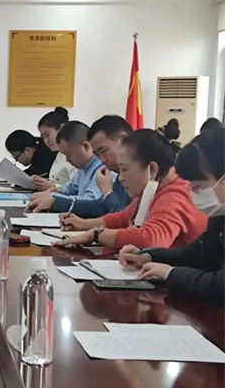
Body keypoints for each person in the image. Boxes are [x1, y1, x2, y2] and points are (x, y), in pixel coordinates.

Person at [55, 129, 207, 251]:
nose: (120, 178)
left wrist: (97, 234)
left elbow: (151, 239)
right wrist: (83, 224)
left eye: (124, 169)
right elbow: (124, 217)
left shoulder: (174, 194)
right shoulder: (154, 187)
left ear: (152, 169)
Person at [118, 128, 224, 304]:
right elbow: (198, 253)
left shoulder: (174, 195)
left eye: (199, 187)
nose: (194, 194)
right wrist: (148, 256)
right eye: (191, 187)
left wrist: (170, 273)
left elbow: (220, 286)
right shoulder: (220, 215)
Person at [42, 115, 134, 218]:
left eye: (104, 151)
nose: (102, 159)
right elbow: (101, 207)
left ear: (123, 139)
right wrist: (55, 200)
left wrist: (107, 192)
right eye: (97, 154)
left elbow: (128, 217)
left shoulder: (139, 172)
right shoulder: (119, 172)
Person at [26, 121, 109, 212]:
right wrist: (52, 192)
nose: (67, 160)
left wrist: (54, 200)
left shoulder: (103, 168)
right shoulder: (83, 168)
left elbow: (92, 201)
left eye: (69, 155)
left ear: (85, 146)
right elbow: (69, 188)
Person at [32, 107, 77, 191]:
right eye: (43, 137)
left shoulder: (76, 155)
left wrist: (53, 186)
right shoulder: (59, 154)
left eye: (47, 135)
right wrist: (42, 182)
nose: (46, 141)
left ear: (61, 128)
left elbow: (77, 189)